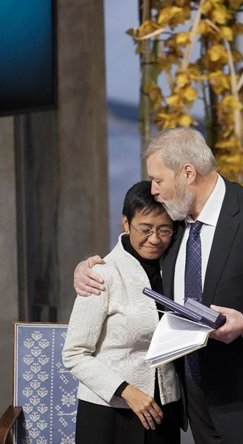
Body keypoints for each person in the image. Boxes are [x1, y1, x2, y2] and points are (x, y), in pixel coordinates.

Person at [73, 127, 243, 444]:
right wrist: (88, 267)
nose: (154, 190)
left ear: (188, 173)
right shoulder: (174, 224)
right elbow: (137, 250)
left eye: (158, 180)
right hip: (200, 407)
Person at [63, 180, 183, 444]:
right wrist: (127, 391)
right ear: (126, 223)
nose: (155, 239)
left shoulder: (177, 268)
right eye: (145, 228)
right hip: (110, 413)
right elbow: (74, 354)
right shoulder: (101, 274)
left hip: (164, 409)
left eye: (165, 230)